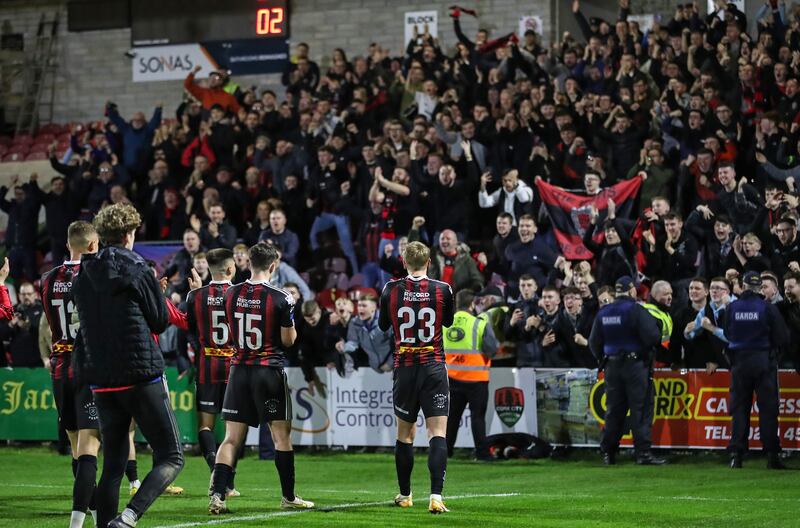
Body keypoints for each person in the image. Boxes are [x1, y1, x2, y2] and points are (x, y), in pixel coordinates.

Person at [71, 203, 183, 528]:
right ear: (129, 234)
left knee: (113, 467)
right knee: (171, 456)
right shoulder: (138, 267)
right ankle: (129, 518)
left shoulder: (84, 274)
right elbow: (160, 322)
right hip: (140, 375)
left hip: (102, 380)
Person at [208, 243, 314, 513]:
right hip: (268, 372)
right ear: (273, 266)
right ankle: (289, 497)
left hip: (239, 370)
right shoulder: (281, 298)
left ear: (248, 263)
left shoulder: (230, 293)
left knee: (231, 439)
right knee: (281, 438)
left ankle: (217, 496)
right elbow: (288, 341)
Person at [379, 241, 454, 514]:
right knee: (437, 433)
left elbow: (383, 325)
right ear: (429, 262)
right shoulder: (442, 289)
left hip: (405, 368)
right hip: (434, 366)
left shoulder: (390, 289)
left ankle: (405, 494)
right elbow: (447, 322)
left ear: (403, 261)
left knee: (405, 435)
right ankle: (435, 496)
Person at [40, 221, 101, 528]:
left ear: (68, 244)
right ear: (93, 246)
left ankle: (93, 513)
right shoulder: (94, 276)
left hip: (60, 369)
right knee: (90, 448)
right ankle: (78, 522)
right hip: (89, 367)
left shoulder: (47, 279)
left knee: (77, 448)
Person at [588, 276, 664, 466]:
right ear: (632, 291)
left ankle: (608, 453)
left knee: (614, 410)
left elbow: (593, 342)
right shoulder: (636, 310)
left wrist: (603, 359)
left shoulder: (604, 312)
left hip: (612, 367)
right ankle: (643, 453)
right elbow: (653, 336)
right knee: (640, 409)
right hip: (635, 366)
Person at [185, 248, 239, 496]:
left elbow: (189, 329)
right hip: (233, 368)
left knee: (205, 427)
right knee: (232, 430)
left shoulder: (196, 296)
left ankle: (216, 473)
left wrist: (194, 292)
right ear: (229, 269)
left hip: (207, 365)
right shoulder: (239, 294)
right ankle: (227, 482)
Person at [722, 271, 790, 469]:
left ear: (742, 286)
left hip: (739, 363)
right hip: (763, 362)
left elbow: (727, 332)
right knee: (768, 409)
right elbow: (782, 337)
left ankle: (736, 455)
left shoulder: (732, 308)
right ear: (760, 287)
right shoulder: (767, 308)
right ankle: (771, 455)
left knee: (740, 409)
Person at [444, 289, 498, 461]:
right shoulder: (479, 323)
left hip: (452, 379)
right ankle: (482, 453)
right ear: (472, 304)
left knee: (452, 418)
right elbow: (492, 350)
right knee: (477, 417)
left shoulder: (445, 325)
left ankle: (446, 452)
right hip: (476, 380)